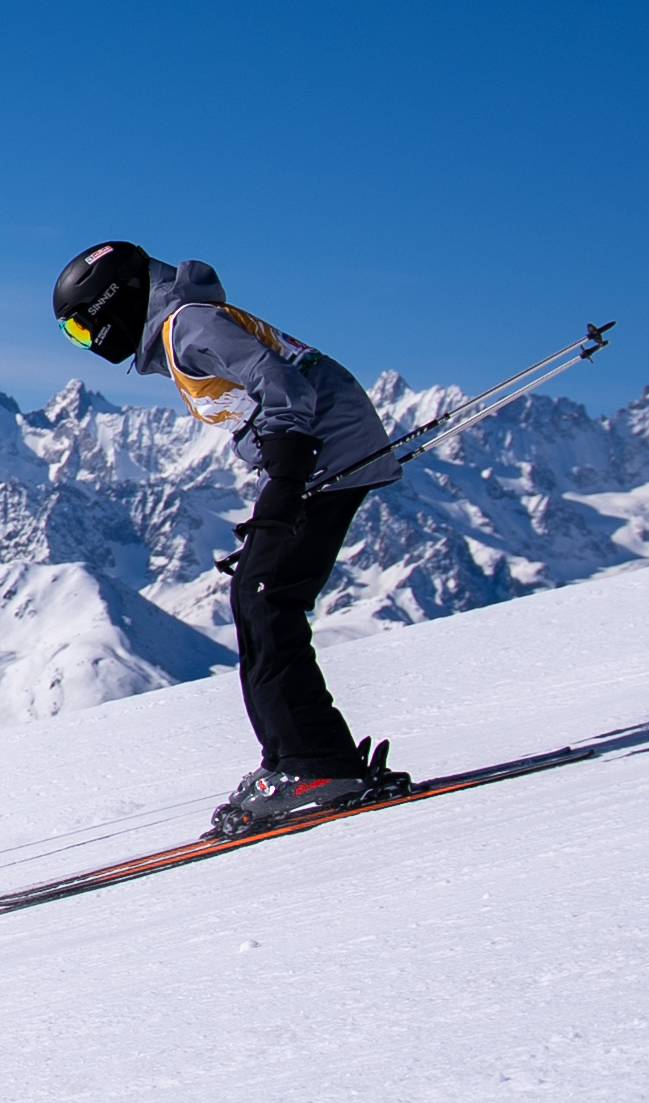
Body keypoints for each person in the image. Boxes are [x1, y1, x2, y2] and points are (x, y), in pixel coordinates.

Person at [53, 240, 415, 838]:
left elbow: (280, 382)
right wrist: (279, 488)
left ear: (113, 301)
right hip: (318, 459)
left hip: (327, 459)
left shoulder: (188, 326)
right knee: (257, 596)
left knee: (267, 600)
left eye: (83, 329)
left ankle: (313, 764)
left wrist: (287, 481)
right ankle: (298, 758)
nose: (89, 344)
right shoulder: (183, 328)